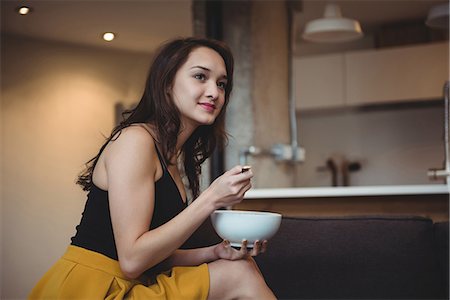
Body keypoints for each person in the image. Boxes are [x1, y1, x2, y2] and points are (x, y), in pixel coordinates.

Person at [29, 37, 276, 299]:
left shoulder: (170, 157)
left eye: (221, 84)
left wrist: (216, 252)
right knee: (241, 275)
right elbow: (133, 260)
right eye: (200, 77)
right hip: (94, 289)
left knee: (240, 266)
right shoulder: (135, 141)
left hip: (131, 284)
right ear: (167, 83)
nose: (215, 92)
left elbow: (151, 258)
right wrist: (211, 199)